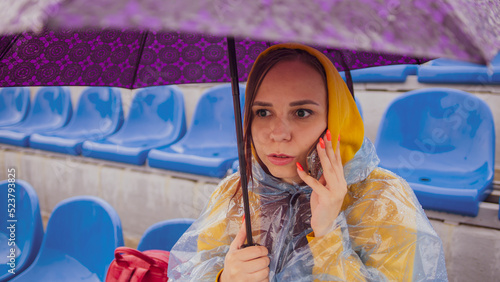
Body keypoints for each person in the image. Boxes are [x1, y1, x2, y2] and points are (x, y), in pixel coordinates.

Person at [167, 43, 448, 281]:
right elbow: (190, 268)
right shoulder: (236, 190)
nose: (278, 134)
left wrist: (329, 235)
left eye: (301, 112)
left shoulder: (383, 199)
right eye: (263, 112)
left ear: (334, 120)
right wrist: (224, 277)